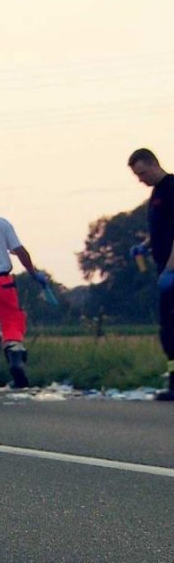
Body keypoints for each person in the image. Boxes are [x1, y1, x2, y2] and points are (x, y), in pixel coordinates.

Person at [0, 199, 48, 393]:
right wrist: (34, 273)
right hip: (3, 282)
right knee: (11, 321)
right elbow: (20, 251)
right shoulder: (1, 223)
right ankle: (16, 361)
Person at [128, 148, 174, 401]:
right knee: (168, 329)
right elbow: (162, 228)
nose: (140, 179)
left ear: (153, 164)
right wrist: (145, 246)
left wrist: (170, 268)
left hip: (171, 269)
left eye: (142, 173)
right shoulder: (156, 193)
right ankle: (173, 380)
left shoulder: (171, 188)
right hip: (163, 265)